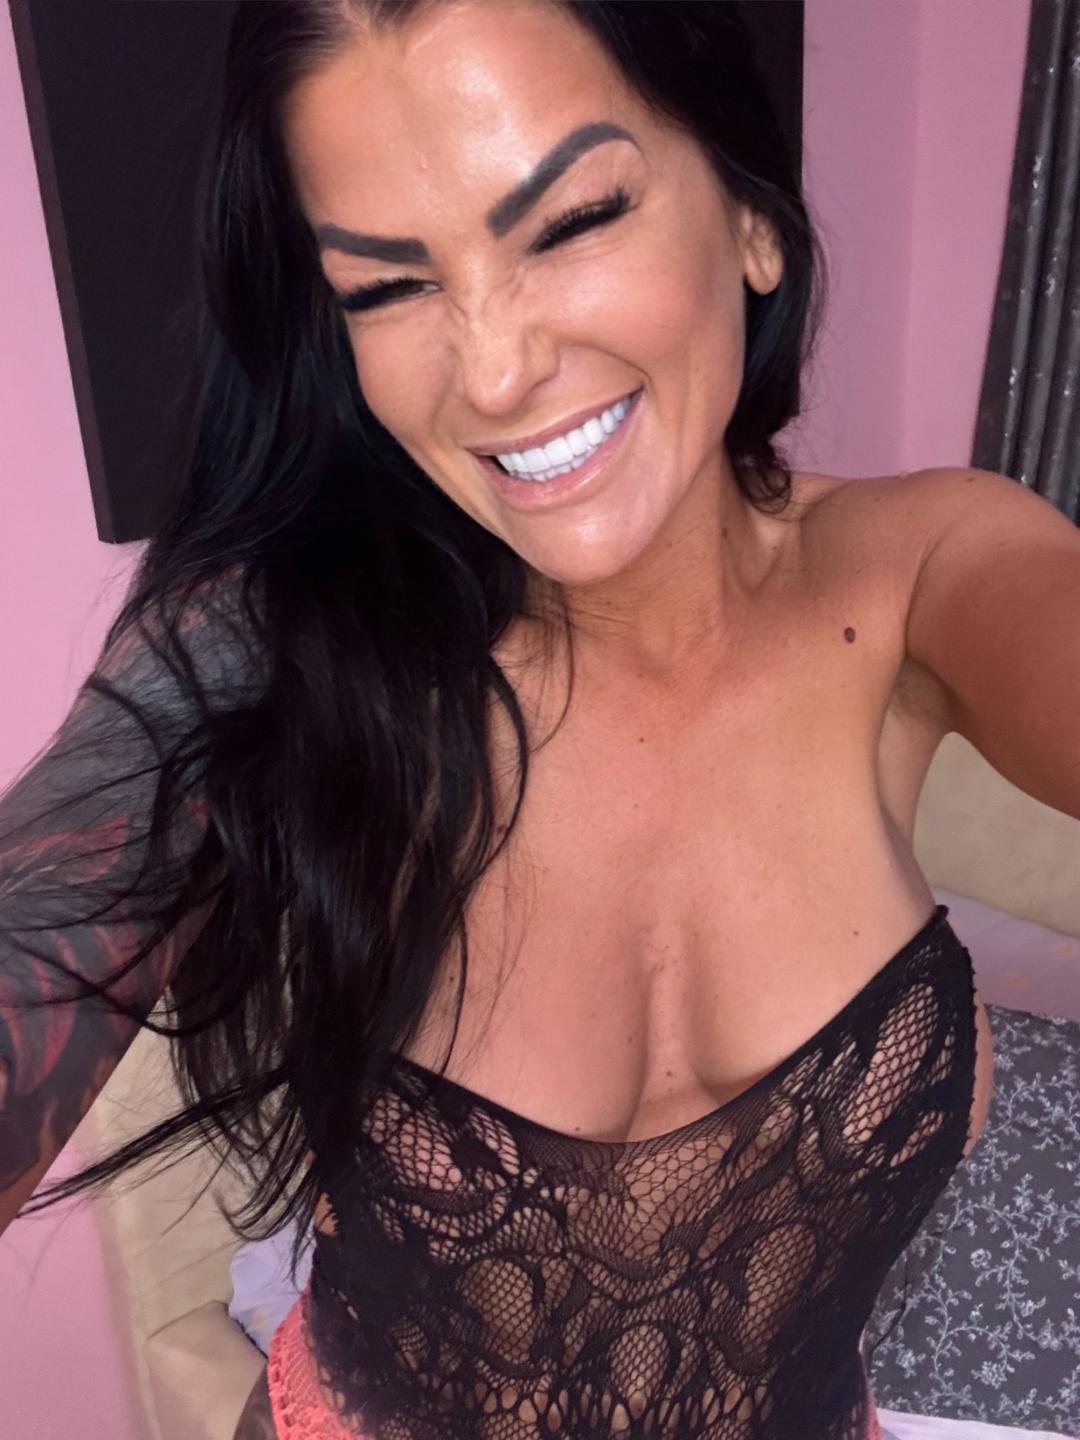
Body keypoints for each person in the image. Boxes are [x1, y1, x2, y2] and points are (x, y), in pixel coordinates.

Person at [8, 1, 1080, 1436]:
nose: (496, 371)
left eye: (572, 221)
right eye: (389, 288)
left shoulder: (924, 572)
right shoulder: (272, 636)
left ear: (751, 220)